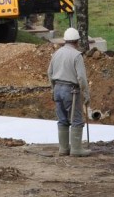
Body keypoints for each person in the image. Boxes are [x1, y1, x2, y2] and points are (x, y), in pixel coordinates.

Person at [47, 27, 91, 157]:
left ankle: (63, 149)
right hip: (71, 90)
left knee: (62, 119)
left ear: (65, 40)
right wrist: (86, 94)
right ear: (77, 41)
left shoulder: (57, 53)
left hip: (57, 88)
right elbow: (81, 78)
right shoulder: (76, 56)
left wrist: (53, 88)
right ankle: (76, 149)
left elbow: (49, 72)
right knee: (76, 119)